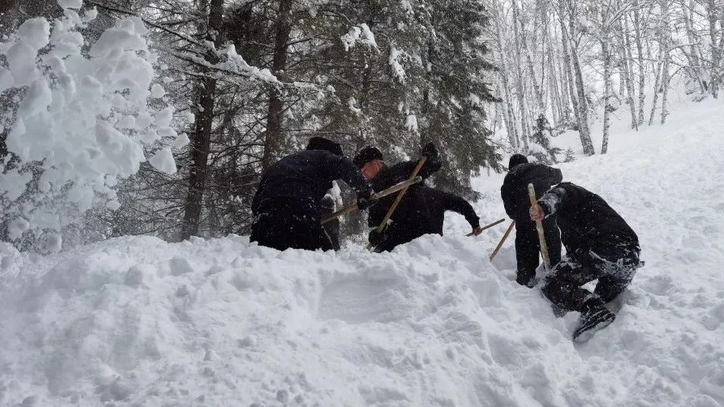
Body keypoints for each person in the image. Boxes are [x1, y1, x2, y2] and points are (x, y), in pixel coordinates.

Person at [529, 182, 642, 342]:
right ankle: (602, 325)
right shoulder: (586, 210)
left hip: (604, 249)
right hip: (630, 259)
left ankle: (593, 310)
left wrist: (543, 206)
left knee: (550, 284)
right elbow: (576, 260)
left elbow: (560, 193)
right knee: (604, 302)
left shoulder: (568, 191)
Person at [250, 137, 374, 251]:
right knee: (322, 258)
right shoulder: (323, 156)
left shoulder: (282, 163)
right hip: (299, 211)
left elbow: (256, 203)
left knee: (269, 262)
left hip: (265, 219)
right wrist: (365, 191)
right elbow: (345, 165)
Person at [353, 144, 483, 252]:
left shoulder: (401, 171)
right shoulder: (374, 194)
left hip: (423, 233)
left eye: (365, 169)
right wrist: (376, 235)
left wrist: (431, 158)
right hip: (400, 242)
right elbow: (377, 224)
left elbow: (429, 167)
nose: (363, 174)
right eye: (361, 172)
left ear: (377, 163)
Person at [500, 154, 563, 287]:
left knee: (525, 270)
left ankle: (526, 291)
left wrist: (521, 210)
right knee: (554, 265)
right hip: (547, 222)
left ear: (510, 167)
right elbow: (559, 176)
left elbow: (511, 212)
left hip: (525, 228)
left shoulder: (508, 180)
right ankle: (557, 288)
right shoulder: (540, 168)